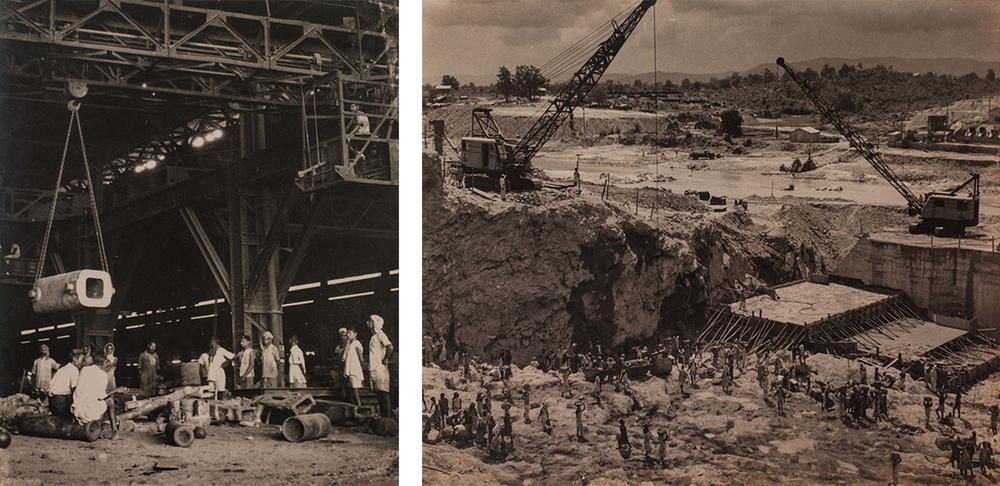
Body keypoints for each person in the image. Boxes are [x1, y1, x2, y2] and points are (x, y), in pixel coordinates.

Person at [367, 314, 394, 417]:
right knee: (379, 393)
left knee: (383, 393)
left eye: (370, 321)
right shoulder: (374, 336)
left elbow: (390, 347)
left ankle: (387, 418)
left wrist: (385, 358)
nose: (368, 323)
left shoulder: (380, 335)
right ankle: (384, 416)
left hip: (380, 368)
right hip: (374, 367)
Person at [72, 353, 109, 424]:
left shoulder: (84, 369)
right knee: (110, 401)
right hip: (88, 411)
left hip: (77, 409)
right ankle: (101, 426)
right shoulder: (103, 375)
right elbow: (101, 396)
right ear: (104, 363)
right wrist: (115, 391)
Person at [49, 350, 84, 416]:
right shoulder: (74, 369)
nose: (81, 363)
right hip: (61, 402)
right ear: (74, 359)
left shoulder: (62, 369)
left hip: (52, 400)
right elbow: (74, 388)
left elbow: (51, 384)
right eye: (81, 360)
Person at [343, 328, 365, 405]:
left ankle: (359, 404)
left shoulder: (357, 343)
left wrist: (361, 367)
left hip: (355, 368)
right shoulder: (349, 344)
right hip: (350, 368)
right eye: (347, 334)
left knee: (355, 388)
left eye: (350, 333)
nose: (348, 335)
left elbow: (360, 357)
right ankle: (355, 404)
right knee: (351, 388)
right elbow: (344, 358)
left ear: (355, 334)